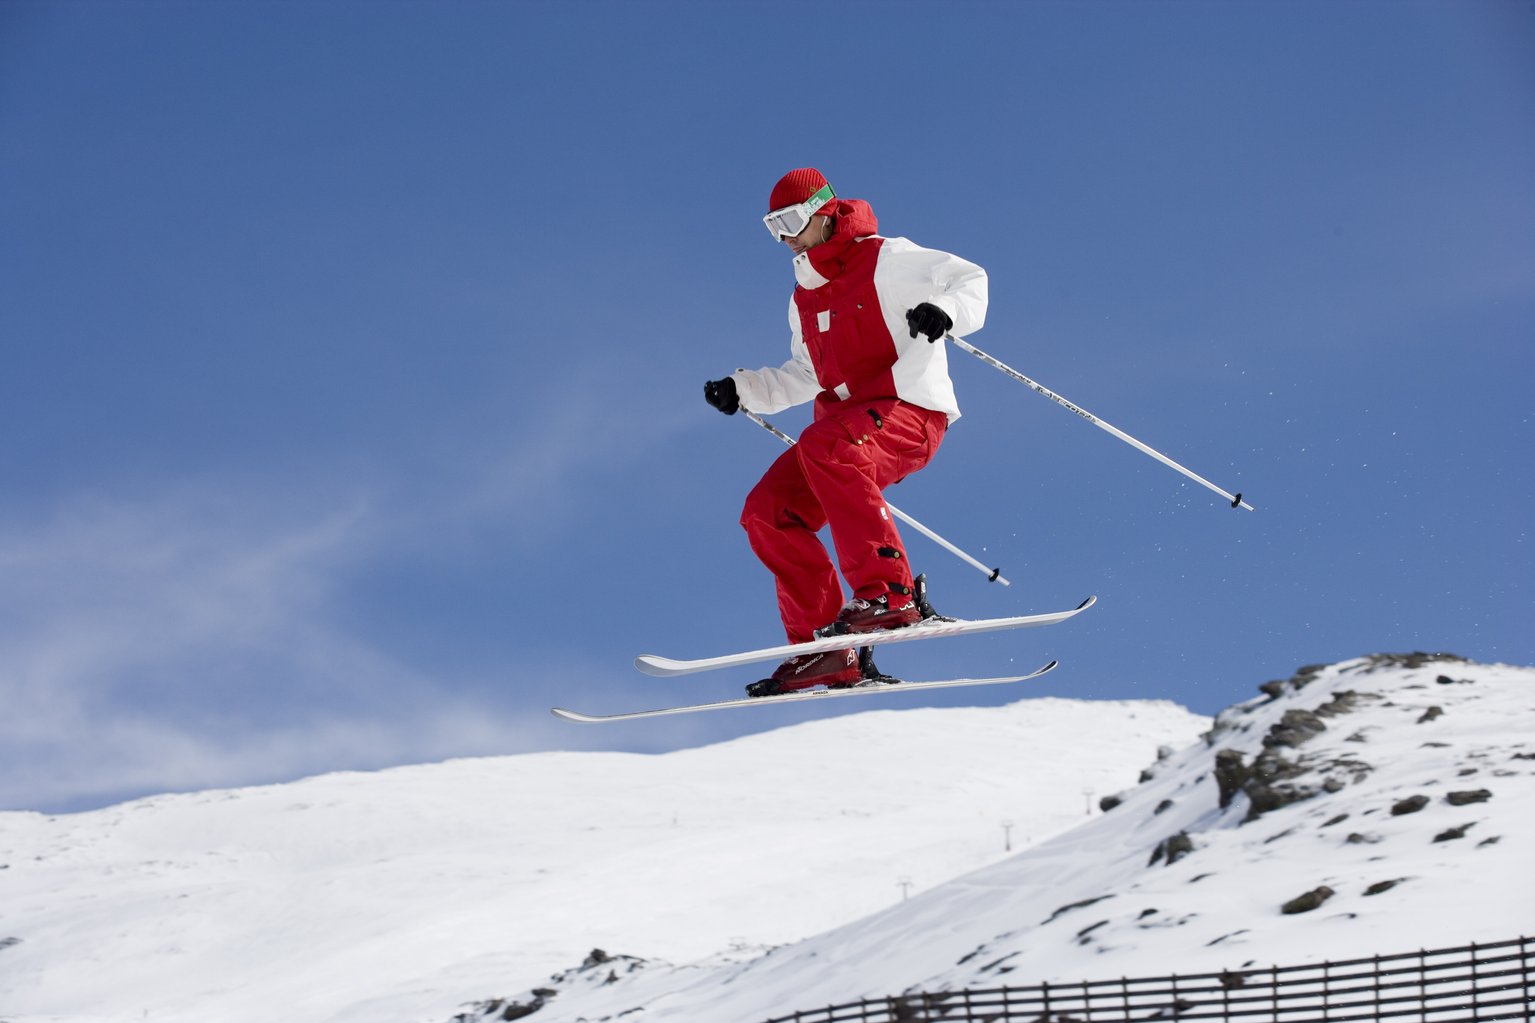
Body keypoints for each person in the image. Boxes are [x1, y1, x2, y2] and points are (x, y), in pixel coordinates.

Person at [704, 168, 988, 697]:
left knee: (827, 446)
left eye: (789, 221)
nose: (785, 237)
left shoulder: (888, 257)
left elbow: (970, 280)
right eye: (773, 228)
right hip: (841, 435)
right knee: (767, 510)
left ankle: (890, 593)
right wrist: (745, 389)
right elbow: (805, 373)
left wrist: (944, 311)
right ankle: (826, 652)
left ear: (823, 209)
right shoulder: (803, 297)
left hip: (908, 413)